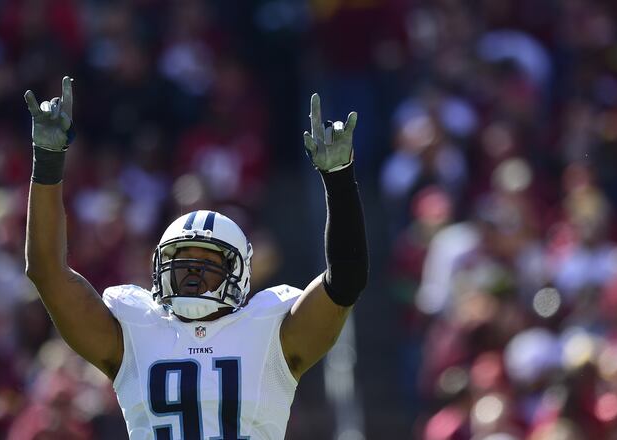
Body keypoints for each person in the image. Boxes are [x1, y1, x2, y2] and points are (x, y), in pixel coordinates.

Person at [24, 76, 369, 440]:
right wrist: (47, 163)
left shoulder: (271, 332)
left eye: (206, 263)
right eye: (181, 262)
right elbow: (46, 272)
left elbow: (346, 279)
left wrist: (339, 179)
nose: (191, 273)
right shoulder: (135, 328)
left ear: (237, 272)